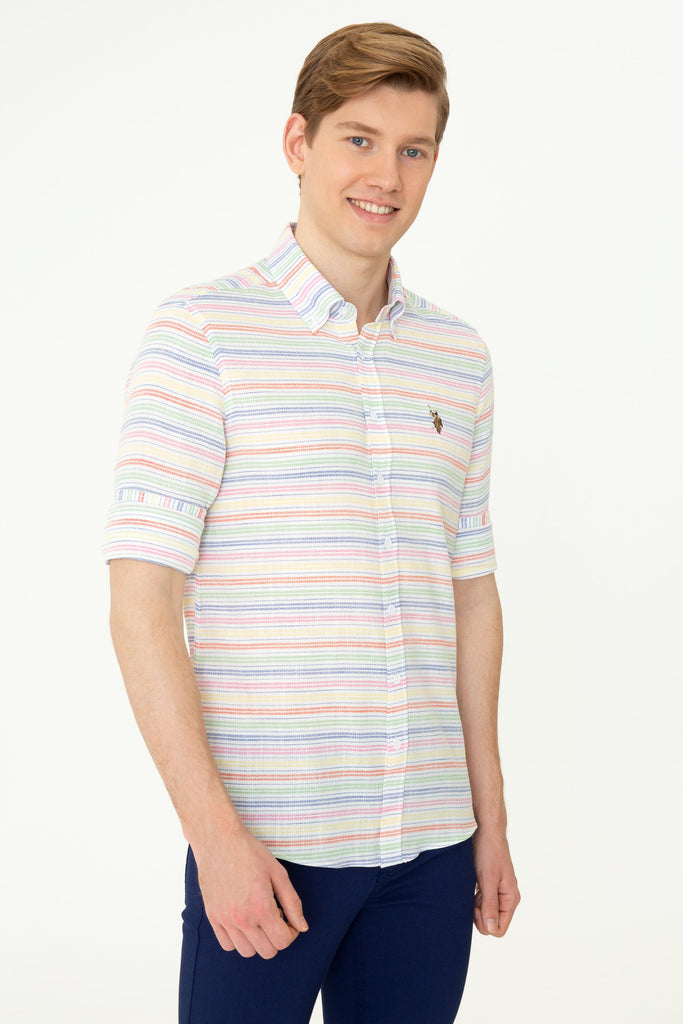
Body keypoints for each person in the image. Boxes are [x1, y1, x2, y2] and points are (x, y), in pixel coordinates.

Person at [104, 21, 520, 1024]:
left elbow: (470, 595)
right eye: (358, 140)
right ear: (298, 143)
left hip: (429, 851)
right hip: (266, 849)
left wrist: (489, 821)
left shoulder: (458, 360)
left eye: (413, 149)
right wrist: (214, 838)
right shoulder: (200, 335)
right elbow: (141, 603)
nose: (386, 175)